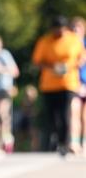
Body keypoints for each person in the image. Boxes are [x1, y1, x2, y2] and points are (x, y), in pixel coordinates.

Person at [31, 16, 85, 154]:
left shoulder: (73, 40)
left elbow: (81, 57)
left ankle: (64, 143)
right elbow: (37, 61)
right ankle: (55, 138)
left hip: (68, 83)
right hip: (49, 85)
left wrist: (70, 66)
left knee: (65, 113)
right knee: (52, 115)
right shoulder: (45, 41)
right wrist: (52, 67)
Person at [69, 16, 86, 154]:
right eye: (73, 27)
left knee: (84, 116)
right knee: (74, 113)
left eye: (78, 27)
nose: (75, 30)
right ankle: (74, 143)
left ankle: (84, 142)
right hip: (73, 84)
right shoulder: (68, 46)